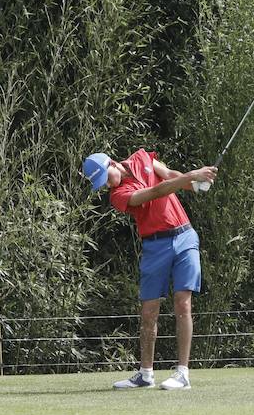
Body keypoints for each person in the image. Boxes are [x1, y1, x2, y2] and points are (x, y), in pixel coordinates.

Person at [82, 150, 218, 390]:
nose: (107, 185)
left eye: (106, 178)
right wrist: (193, 174)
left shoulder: (143, 157)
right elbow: (158, 191)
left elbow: (168, 175)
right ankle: (146, 374)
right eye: (102, 184)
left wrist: (194, 185)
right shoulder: (118, 195)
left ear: (112, 163)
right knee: (148, 312)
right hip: (155, 246)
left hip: (185, 236)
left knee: (183, 303)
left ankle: (182, 374)